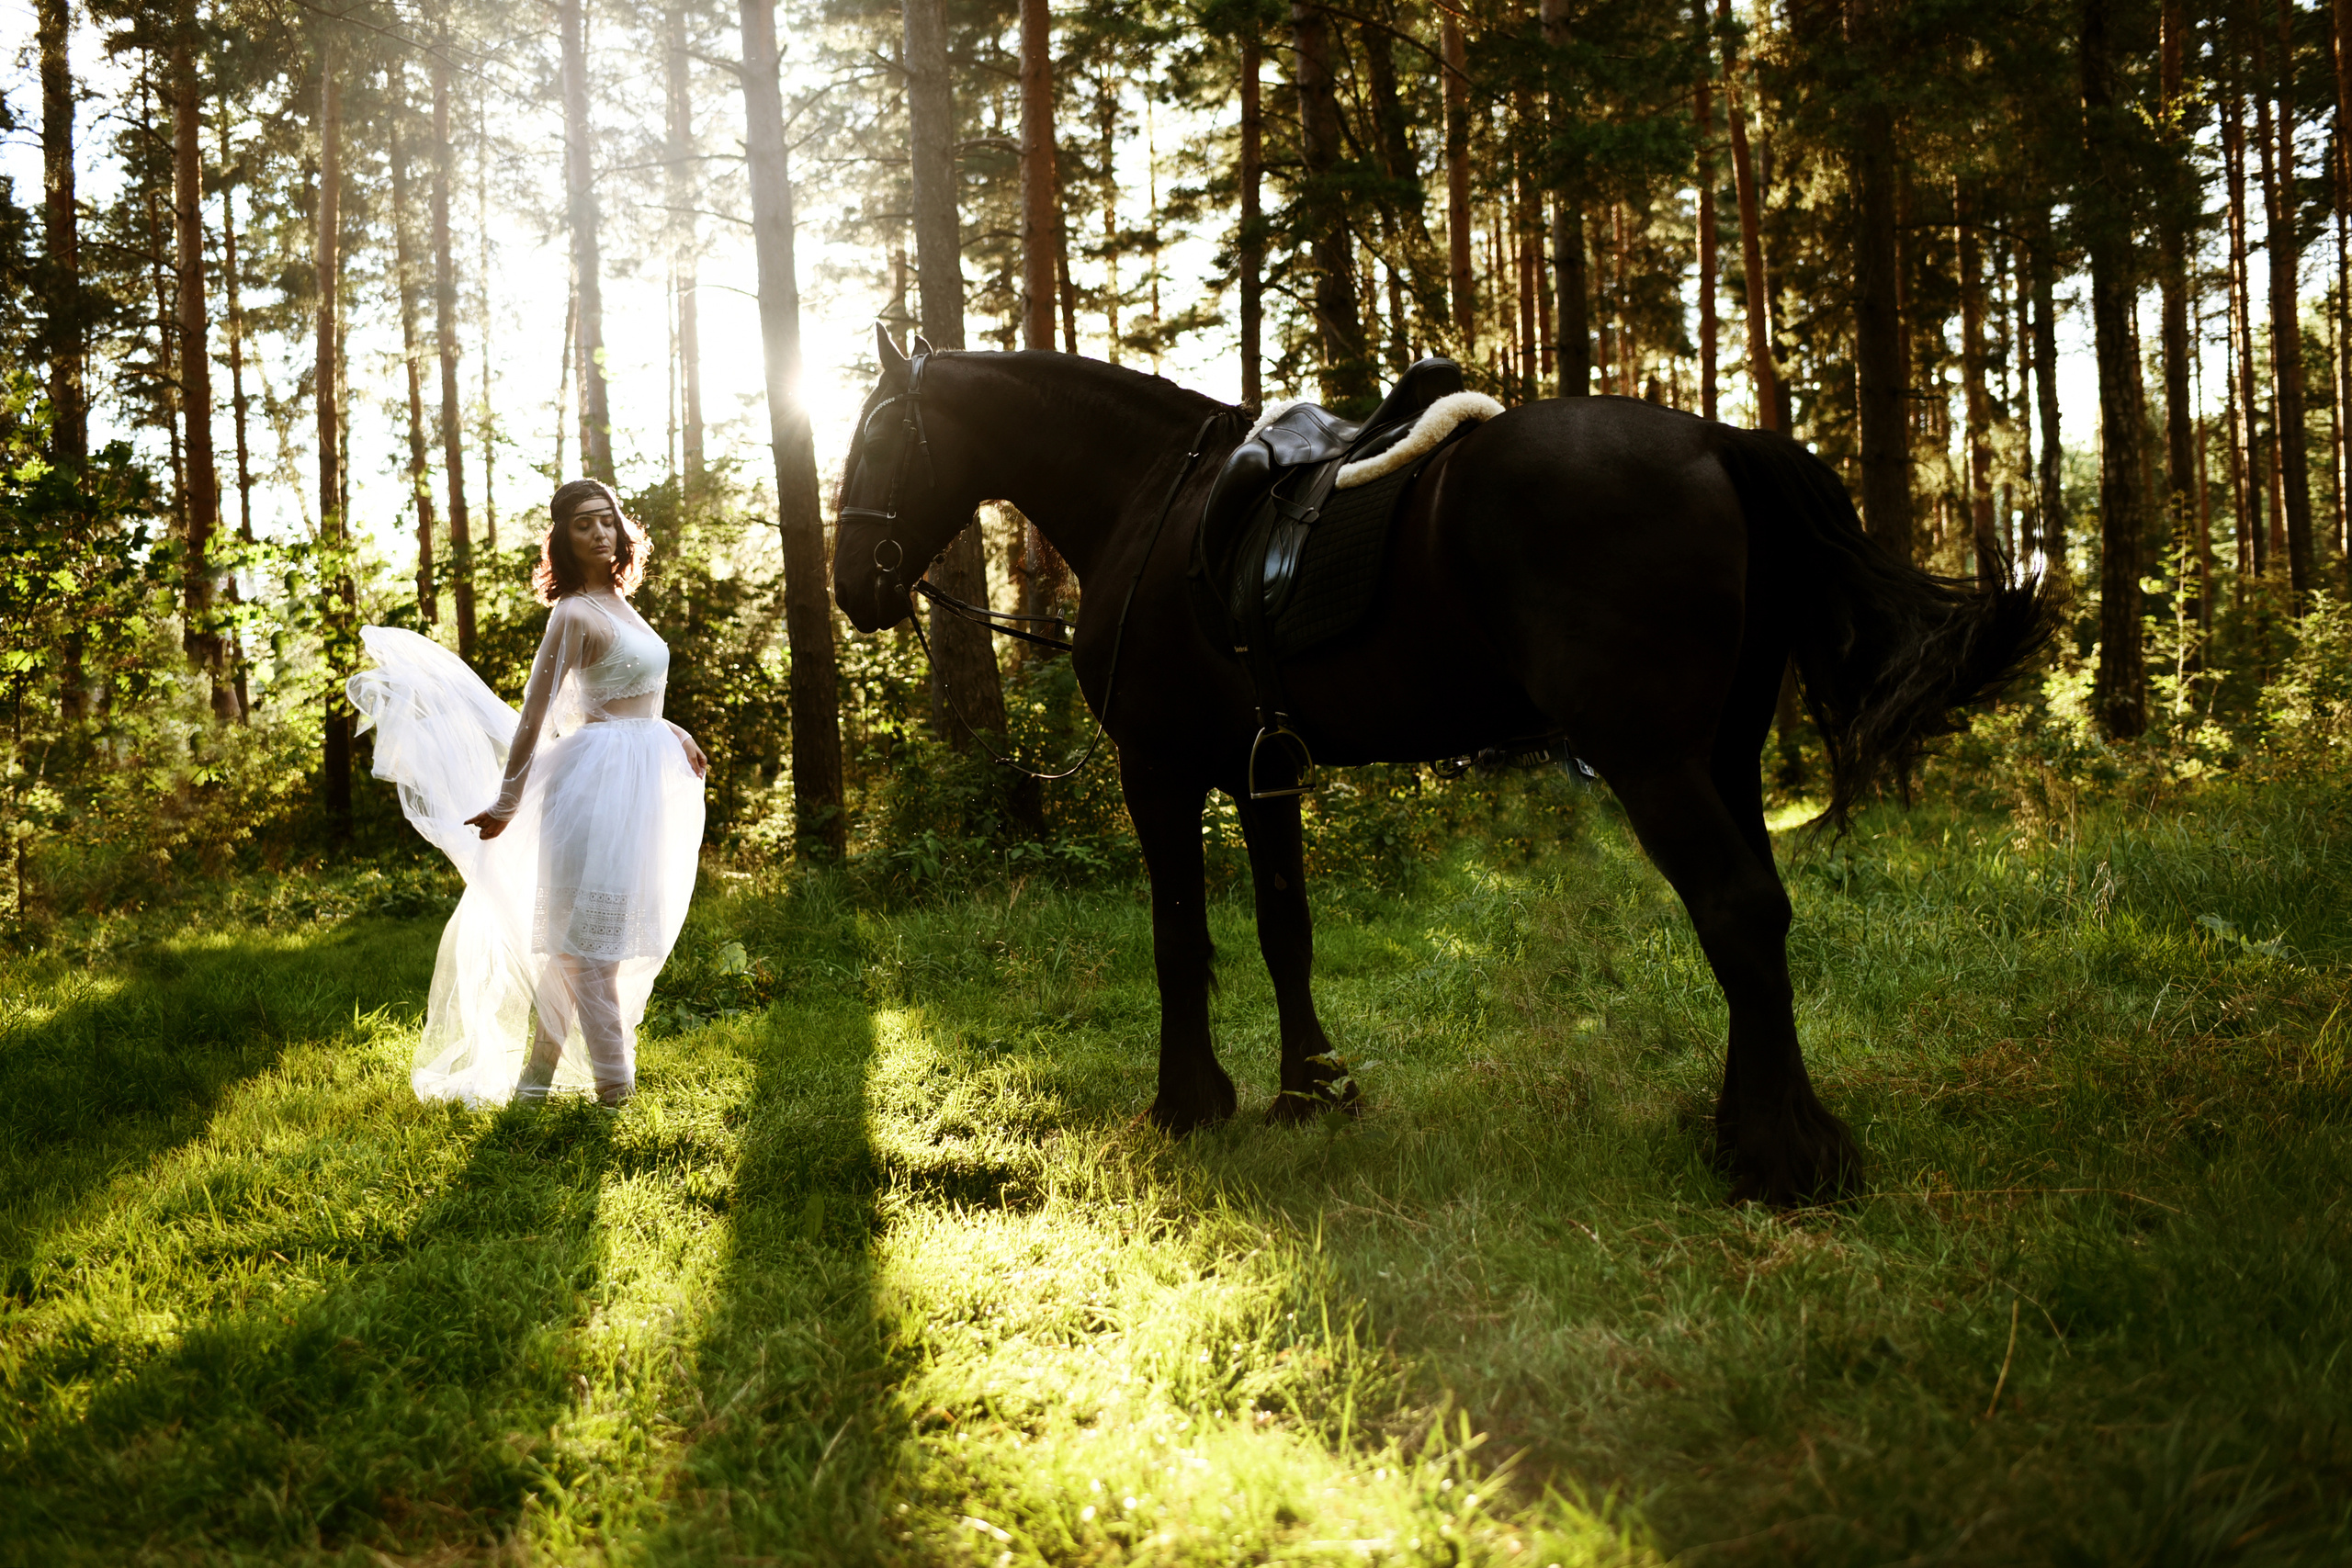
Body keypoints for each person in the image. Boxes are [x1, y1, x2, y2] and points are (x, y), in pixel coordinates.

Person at [349, 479, 707, 1106]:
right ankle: (616, 1096)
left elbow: (625, 694)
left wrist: (674, 731)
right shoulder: (573, 613)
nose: (599, 533)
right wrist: (508, 800)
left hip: (639, 786)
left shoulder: (621, 602)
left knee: (577, 950)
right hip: (595, 788)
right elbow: (537, 715)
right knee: (591, 951)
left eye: (606, 520)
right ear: (563, 541)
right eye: (583, 525)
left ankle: (533, 1089)